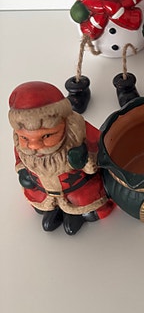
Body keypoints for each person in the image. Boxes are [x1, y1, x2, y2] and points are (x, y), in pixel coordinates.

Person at [8, 81, 114, 235]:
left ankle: (76, 213)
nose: (34, 146)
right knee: (43, 211)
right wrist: (22, 171)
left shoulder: (77, 133)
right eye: (25, 138)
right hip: (43, 191)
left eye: (46, 136)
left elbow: (102, 147)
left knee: (86, 209)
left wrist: (87, 159)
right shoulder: (22, 146)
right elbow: (19, 157)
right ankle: (55, 210)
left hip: (79, 189)